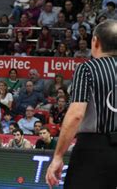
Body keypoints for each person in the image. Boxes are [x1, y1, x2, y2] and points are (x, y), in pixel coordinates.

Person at [46, 20, 117, 188]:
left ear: (95, 42)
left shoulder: (87, 69)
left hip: (95, 149)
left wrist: (58, 156)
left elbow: (76, 115)